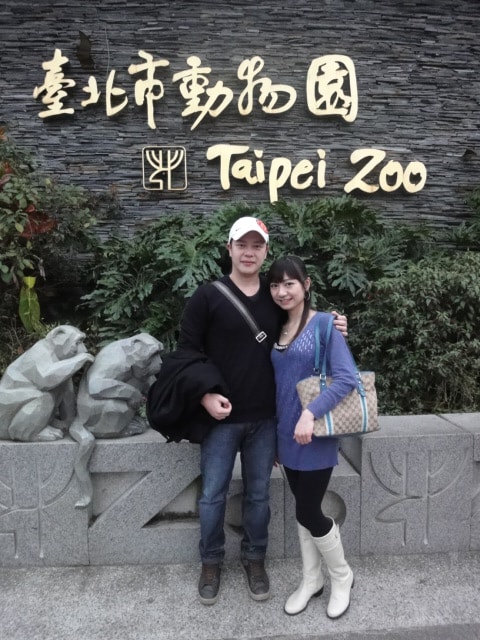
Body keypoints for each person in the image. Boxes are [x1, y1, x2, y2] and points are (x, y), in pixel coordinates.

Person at [177, 217, 347, 606]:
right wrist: (204, 396)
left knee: (258, 497)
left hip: (267, 421)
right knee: (212, 496)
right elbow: (186, 352)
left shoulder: (274, 298)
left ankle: (255, 560)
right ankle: (211, 562)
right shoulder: (208, 296)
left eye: (257, 245)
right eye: (242, 244)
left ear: (266, 251)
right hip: (220, 420)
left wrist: (335, 325)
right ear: (229, 248)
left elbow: (303, 326)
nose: (249, 252)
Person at [267, 255, 357, 620]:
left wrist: (310, 413)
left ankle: (342, 576)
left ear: (305, 285)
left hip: (316, 434)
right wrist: (278, 435)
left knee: (308, 510)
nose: (282, 291)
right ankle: (311, 580)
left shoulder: (324, 324)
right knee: (303, 510)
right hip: (286, 436)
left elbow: (347, 378)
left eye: (289, 283)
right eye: (275, 285)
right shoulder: (275, 327)